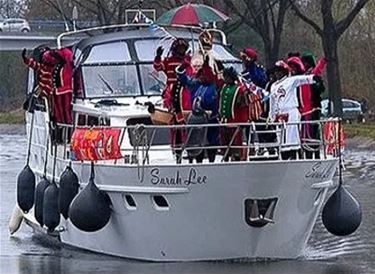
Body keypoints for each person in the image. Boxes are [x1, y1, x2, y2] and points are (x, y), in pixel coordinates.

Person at [269, 60, 320, 160]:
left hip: (291, 112)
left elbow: (301, 79)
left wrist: (313, 78)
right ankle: (284, 159)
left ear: (284, 72)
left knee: (292, 138)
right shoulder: (273, 86)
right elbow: (273, 103)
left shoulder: (290, 80)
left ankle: (295, 157)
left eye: (279, 71)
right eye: (276, 71)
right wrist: (272, 117)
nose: (277, 73)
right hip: (280, 115)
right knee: (281, 139)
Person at [153, 38, 192, 162]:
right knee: (174, 123)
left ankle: (186, 147)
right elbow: (158, 67)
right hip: (171, 92)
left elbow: (191, 74)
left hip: (184, 92)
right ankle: (176, 149)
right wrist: (158, 57)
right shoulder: (169, 61)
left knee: (184, 121)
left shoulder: (187, 61)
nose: (181, 51)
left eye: (183, 49)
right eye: (179, 48)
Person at [176, 56, 219, 162]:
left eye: (203, 75)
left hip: (211, 120)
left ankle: (212, 162)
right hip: (196, 120)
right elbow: (183, 78)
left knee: (211, 143)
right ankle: (196, 162)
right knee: (195, 141)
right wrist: (183, 67)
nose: (201, 77)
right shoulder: (196, 85)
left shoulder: (215, 86)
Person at [301, 52, 327, 158]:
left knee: (313, 131)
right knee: (306, 132)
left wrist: (317, 84)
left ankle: (315, 155)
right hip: (304, 109)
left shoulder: (314, 75)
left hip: (313, 108)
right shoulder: (303, 76)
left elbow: (321, 89)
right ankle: (307, 154)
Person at [219, 67, 248, 161]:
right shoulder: (224, 87)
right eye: (225, 77)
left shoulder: (239, 89)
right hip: (224, 121)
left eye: (227, 77)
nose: (226, 79)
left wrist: (243, 121)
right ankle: (225, 156)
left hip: (235, 121)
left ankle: (237, 157)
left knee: (236, 142)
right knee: (225, 142)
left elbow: (243, 106)